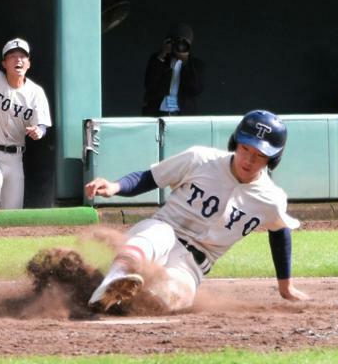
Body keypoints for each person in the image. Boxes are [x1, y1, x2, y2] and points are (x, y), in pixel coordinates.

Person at [85, 110, 310, 313]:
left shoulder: (271, 199)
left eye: (260, 155)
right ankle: (113, 280)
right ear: (235, 142)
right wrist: (115, 186)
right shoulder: (200, 159)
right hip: (165, 232)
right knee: (153, 236)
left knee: (169, 296)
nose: (249, 159)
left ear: (273, 158)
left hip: (192, 265)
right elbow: (149, 178)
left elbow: (280, 231)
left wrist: (286, 287)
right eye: (245, 148)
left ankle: (120, 299)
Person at [0, 8, 52, 210]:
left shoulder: (35, 92)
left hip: (15, 158)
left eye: (22, 56)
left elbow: (42, 125)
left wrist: (39, 131)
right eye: (12, 56)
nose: (18, 60)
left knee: (13, 214)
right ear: (4, 63)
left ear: (29, 63)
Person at [142, 23, 204, 116]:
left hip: (183, 113)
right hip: (157, 112)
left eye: (184, 44)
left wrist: (185, 63)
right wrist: (162, 55)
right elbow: (149, 84)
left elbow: (195, 90)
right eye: (178, 42)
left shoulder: (195, 64)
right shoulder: (158, 58)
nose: (180, 46)